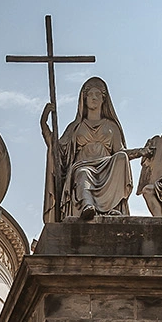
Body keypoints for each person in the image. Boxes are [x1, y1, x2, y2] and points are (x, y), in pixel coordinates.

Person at [41, 77, 133, 222]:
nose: (94, 98)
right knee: (82, 173)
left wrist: (141, 152)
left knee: (121, 158)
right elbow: (57, 149)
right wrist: (44, 123)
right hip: (83, 166)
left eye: (97, 94)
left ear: (104, 99)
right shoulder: (76, 127)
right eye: (90, 94)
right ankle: (87, 206)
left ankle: (113, 205)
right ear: (84, 99)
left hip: (107, 167)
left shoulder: (111, 126)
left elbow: (120, 151)